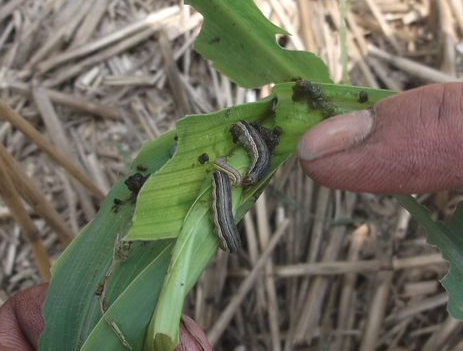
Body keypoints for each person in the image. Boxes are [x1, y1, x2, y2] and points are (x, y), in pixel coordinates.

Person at [1, 83, 462, 351]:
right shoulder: (240, 163)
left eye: (246, 139)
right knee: (224, 197)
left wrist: (231, 170)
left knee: (226, 195)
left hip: (235, 172)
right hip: (234, 173)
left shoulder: (241, 165)